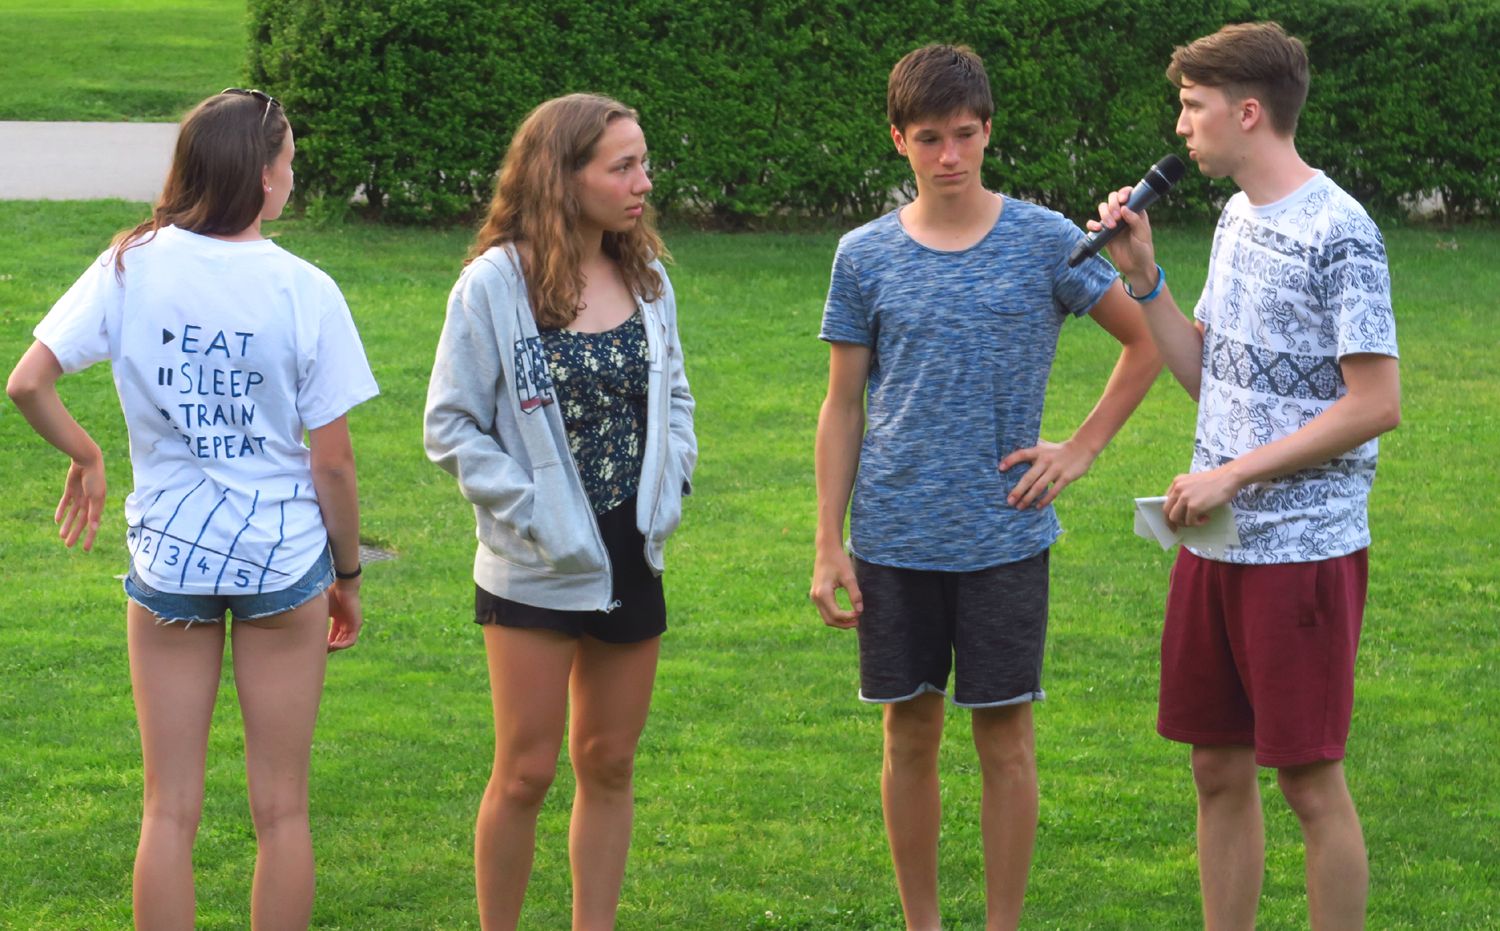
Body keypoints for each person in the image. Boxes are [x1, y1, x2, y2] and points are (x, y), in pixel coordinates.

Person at [809, 44, 1161, 931]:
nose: (950, 155)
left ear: (989, 131)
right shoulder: (863, 256)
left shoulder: (1046, 241)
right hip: (893, 537)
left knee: (1005, 738)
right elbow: (842, 406)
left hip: (1005, 533)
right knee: (908, 736)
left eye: (965, 134)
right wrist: (827, 541)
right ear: (899, 139)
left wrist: (1080, 448)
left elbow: (1147, 340)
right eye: (929, 138)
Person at [6, 88, 376, 930]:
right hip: (283, 563)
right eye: (289, 162)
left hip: (169, 560)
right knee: (281, 810)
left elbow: (27, 382)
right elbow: (333, 462)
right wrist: (348, 576)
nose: (293, 177)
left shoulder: (130, 265)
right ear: (264, 176)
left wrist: (87, 455)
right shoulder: (306, 289)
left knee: (167, 810)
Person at [1092, 22, 1400, 931]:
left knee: (1308, 780)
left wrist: (1231, 474)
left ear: (1250, 112)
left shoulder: (1341, 231)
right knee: (1215, 767)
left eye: (1194, 107)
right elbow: (1209, 377)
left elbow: (1375, 402)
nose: (1181, 127)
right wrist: (1145, 279)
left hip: (1302, 552)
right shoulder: (1236, 217)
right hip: (1216, 544)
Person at [423, 92, 695, 931]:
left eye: (643, 163)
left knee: (609, 762)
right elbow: (450, 424)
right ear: (562, 176)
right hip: (533, 562)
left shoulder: (647, 279)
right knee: (526, 772)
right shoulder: (493, 286)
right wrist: (535, 512)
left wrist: (671, 483)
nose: (643, 182)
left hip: (631, 552)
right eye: (622, 167)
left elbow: (676, 399)